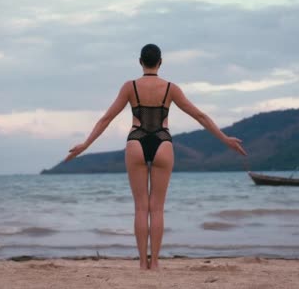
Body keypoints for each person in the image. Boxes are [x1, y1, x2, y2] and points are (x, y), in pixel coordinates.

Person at [65, 44, 247, 270]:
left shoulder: (130, 87)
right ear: (160, 62)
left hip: (135, 141)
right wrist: (225, 139)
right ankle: (155, 263)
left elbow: (106, 119)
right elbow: (199, 116)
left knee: (141, 207)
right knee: (157, 208)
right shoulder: (171, 88)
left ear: (140, 61)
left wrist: (85, 145)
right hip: (163, 142)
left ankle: (143, 263)